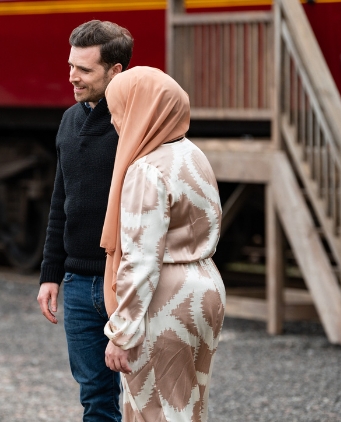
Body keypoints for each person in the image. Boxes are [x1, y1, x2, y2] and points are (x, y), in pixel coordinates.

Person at [101, 66, 225, 421]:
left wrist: (121, 332)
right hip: (205, 286)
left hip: (165, 300)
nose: (114, 122)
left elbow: (141, 258)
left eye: (118, 112)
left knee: (154, 411)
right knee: (188, 408)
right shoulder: (192, 154)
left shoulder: (146, 169)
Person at [36, 20, 133, 421]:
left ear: (116, 72)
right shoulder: (70, 121)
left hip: (123, 280)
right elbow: (61, 202)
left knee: (146, 395)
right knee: (94, 398)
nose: (72, 77)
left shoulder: (136, 124)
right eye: (71, 65)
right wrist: (49, 274)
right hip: (77, 285)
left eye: (84, 70)